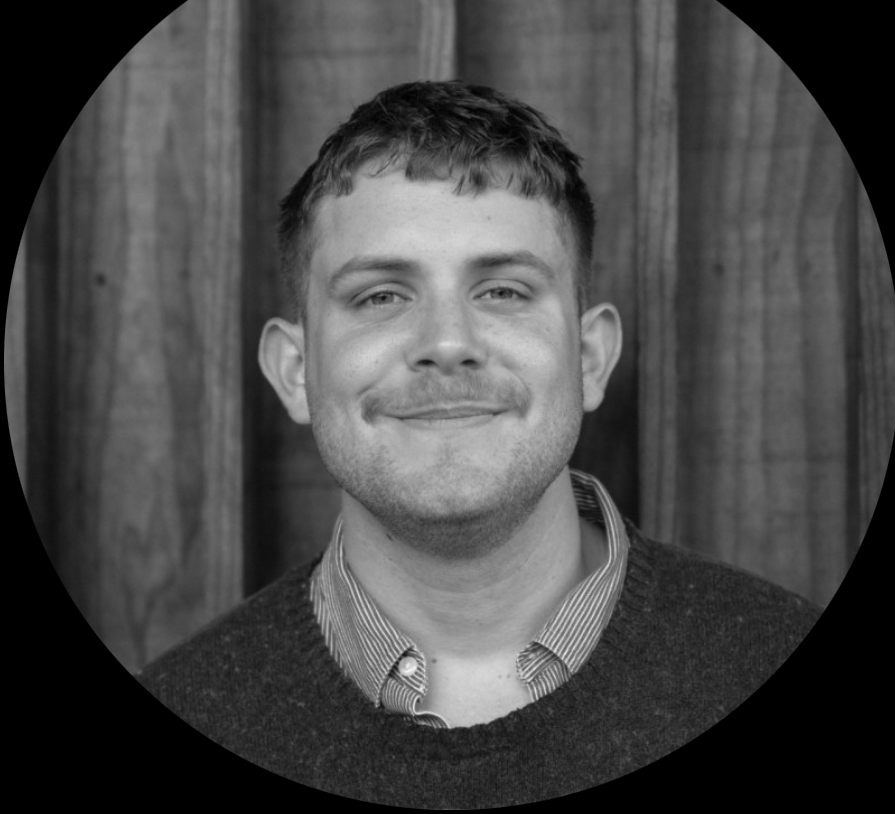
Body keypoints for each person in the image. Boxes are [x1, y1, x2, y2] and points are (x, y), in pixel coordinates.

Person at [137, 80, 821, 804]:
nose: (447, 343)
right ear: (296, 371)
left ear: (589, 358)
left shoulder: (772, 659)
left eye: (502, 291)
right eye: (381, 296)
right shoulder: (189, 710)